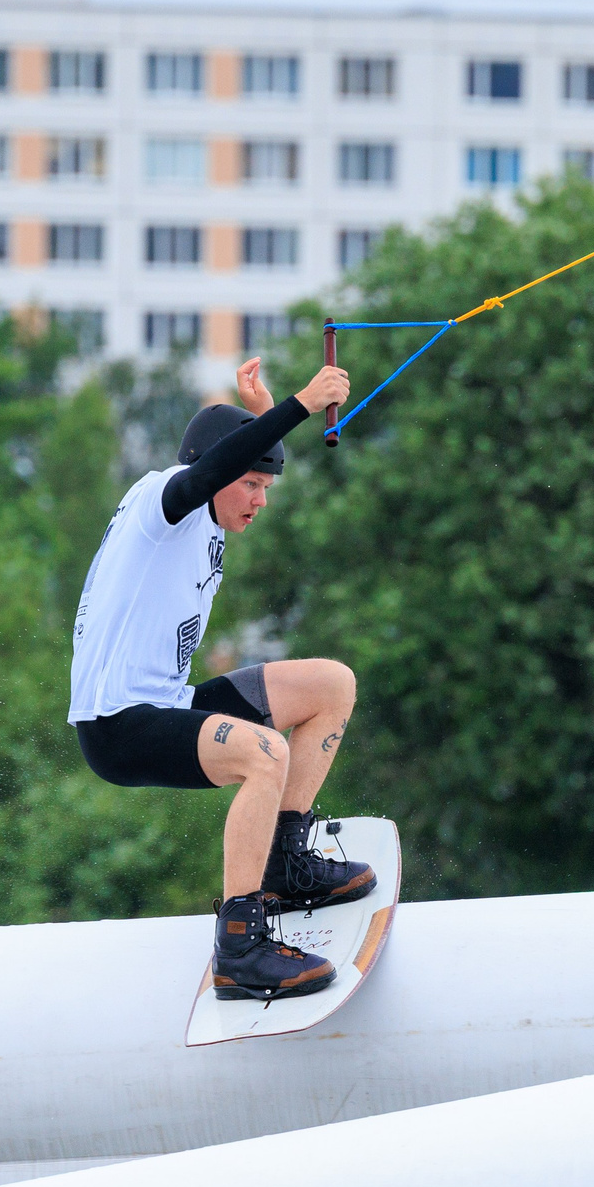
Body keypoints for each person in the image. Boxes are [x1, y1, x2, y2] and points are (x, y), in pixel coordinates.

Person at [69, 355, 374, 1002]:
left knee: (331, 685)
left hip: (168, 704)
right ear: (211, 476)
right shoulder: (162, 502)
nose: (261, 502)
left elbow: (232, 463)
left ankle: (286, 864)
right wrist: (296, 403)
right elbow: (208, 470)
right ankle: (240, 946)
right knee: (266, 754)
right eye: (253, 488)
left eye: (268, 489)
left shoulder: (213, 509)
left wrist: (264, 418)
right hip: (117, 725)